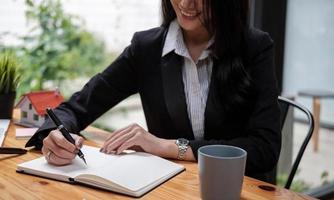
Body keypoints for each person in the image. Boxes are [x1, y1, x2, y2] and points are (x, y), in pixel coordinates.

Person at [26, 0, 281, 182]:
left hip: (235, 189)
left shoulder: (254, 47)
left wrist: (166, 146)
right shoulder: (146, 48)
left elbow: (264, 149)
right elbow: (77, 107)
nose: (186, 3)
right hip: (168, 188)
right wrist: (55, 136)